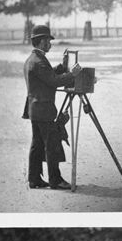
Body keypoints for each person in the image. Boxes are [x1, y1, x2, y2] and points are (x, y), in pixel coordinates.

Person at [23, 24, 79, 190]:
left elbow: (48, 75)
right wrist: (72, 74)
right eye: (48, 40)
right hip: (43, 110)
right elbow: (53, 81)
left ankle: (34, 179)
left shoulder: (34, 59)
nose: (50, 44)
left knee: (37, 144)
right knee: (52, 145)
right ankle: (55, 180)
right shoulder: (39, 62)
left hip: (36, 109)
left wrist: (62, 67)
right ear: (41, 42)